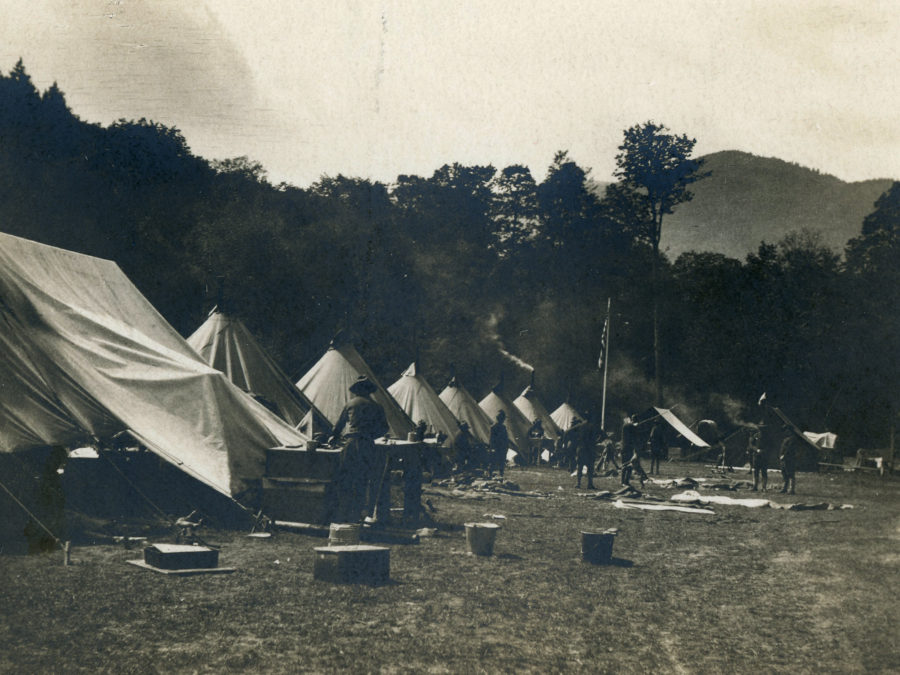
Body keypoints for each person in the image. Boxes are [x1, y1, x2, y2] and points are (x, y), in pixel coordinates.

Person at [328, 375, 390, 523]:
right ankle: (358, 514)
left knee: (346, 478)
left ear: (357, 390)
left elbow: (339, 426)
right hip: (367, 445)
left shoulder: (350, 404)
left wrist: (333, 437)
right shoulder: (377, 407)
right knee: (362, 479)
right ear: (369, 391)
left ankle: (343, 514)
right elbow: (384, 429)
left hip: (351, 443)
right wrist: (370, 433)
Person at [573, 414, 597, 489]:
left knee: (580, 467)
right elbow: (601, 435)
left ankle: (578, 483)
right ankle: (590, 484)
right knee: (590, 467)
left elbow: (568, 432)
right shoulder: (592, 426)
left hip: (581, 448)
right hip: (589, 449)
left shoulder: (579, 426)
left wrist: (575, 441)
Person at [489, 410, 509, 478]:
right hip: (497, 447)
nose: (503, 420)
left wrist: (506, 446)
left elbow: (506, 438)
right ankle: (490, 474)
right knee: (493, 461)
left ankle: (501, 474)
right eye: (502, 418)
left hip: (502, 447)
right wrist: (492, 447)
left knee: (502, 461)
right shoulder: (494, 427)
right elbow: (492, 439)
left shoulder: (503, 427)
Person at [620, 420, 639, 487]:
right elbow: (634, 438)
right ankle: (625, 481)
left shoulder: (625, 426)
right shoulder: (630, 427)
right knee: (627, 466)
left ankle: (624, 482)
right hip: (627, 449)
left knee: (625, 465)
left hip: (624, 448)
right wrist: (634, 426)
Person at [779, 428, 797, 495]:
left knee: (790, 474)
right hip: (783, 459)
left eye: (787, 430)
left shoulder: (792, 439)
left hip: (789, 459)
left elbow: (789, 449)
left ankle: (791, 489)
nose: (786, 432)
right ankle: (784, 488)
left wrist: (784, 456)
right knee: (784, 474)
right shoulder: (786, 439)